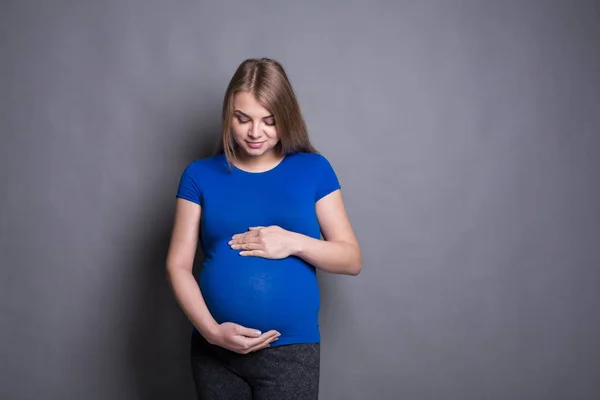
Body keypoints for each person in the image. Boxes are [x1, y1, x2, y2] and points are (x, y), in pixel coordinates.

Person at [166, 57, 362, 400]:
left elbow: (351, 259)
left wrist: (293, 242)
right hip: (216, 352)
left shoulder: (313, 170)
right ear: (229, 115)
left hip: (290, 353)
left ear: (286, 117)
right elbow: (177, 265)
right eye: (243, 119)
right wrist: (211, 332)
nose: (255, 132)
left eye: (269, 121)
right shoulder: (199, 175)